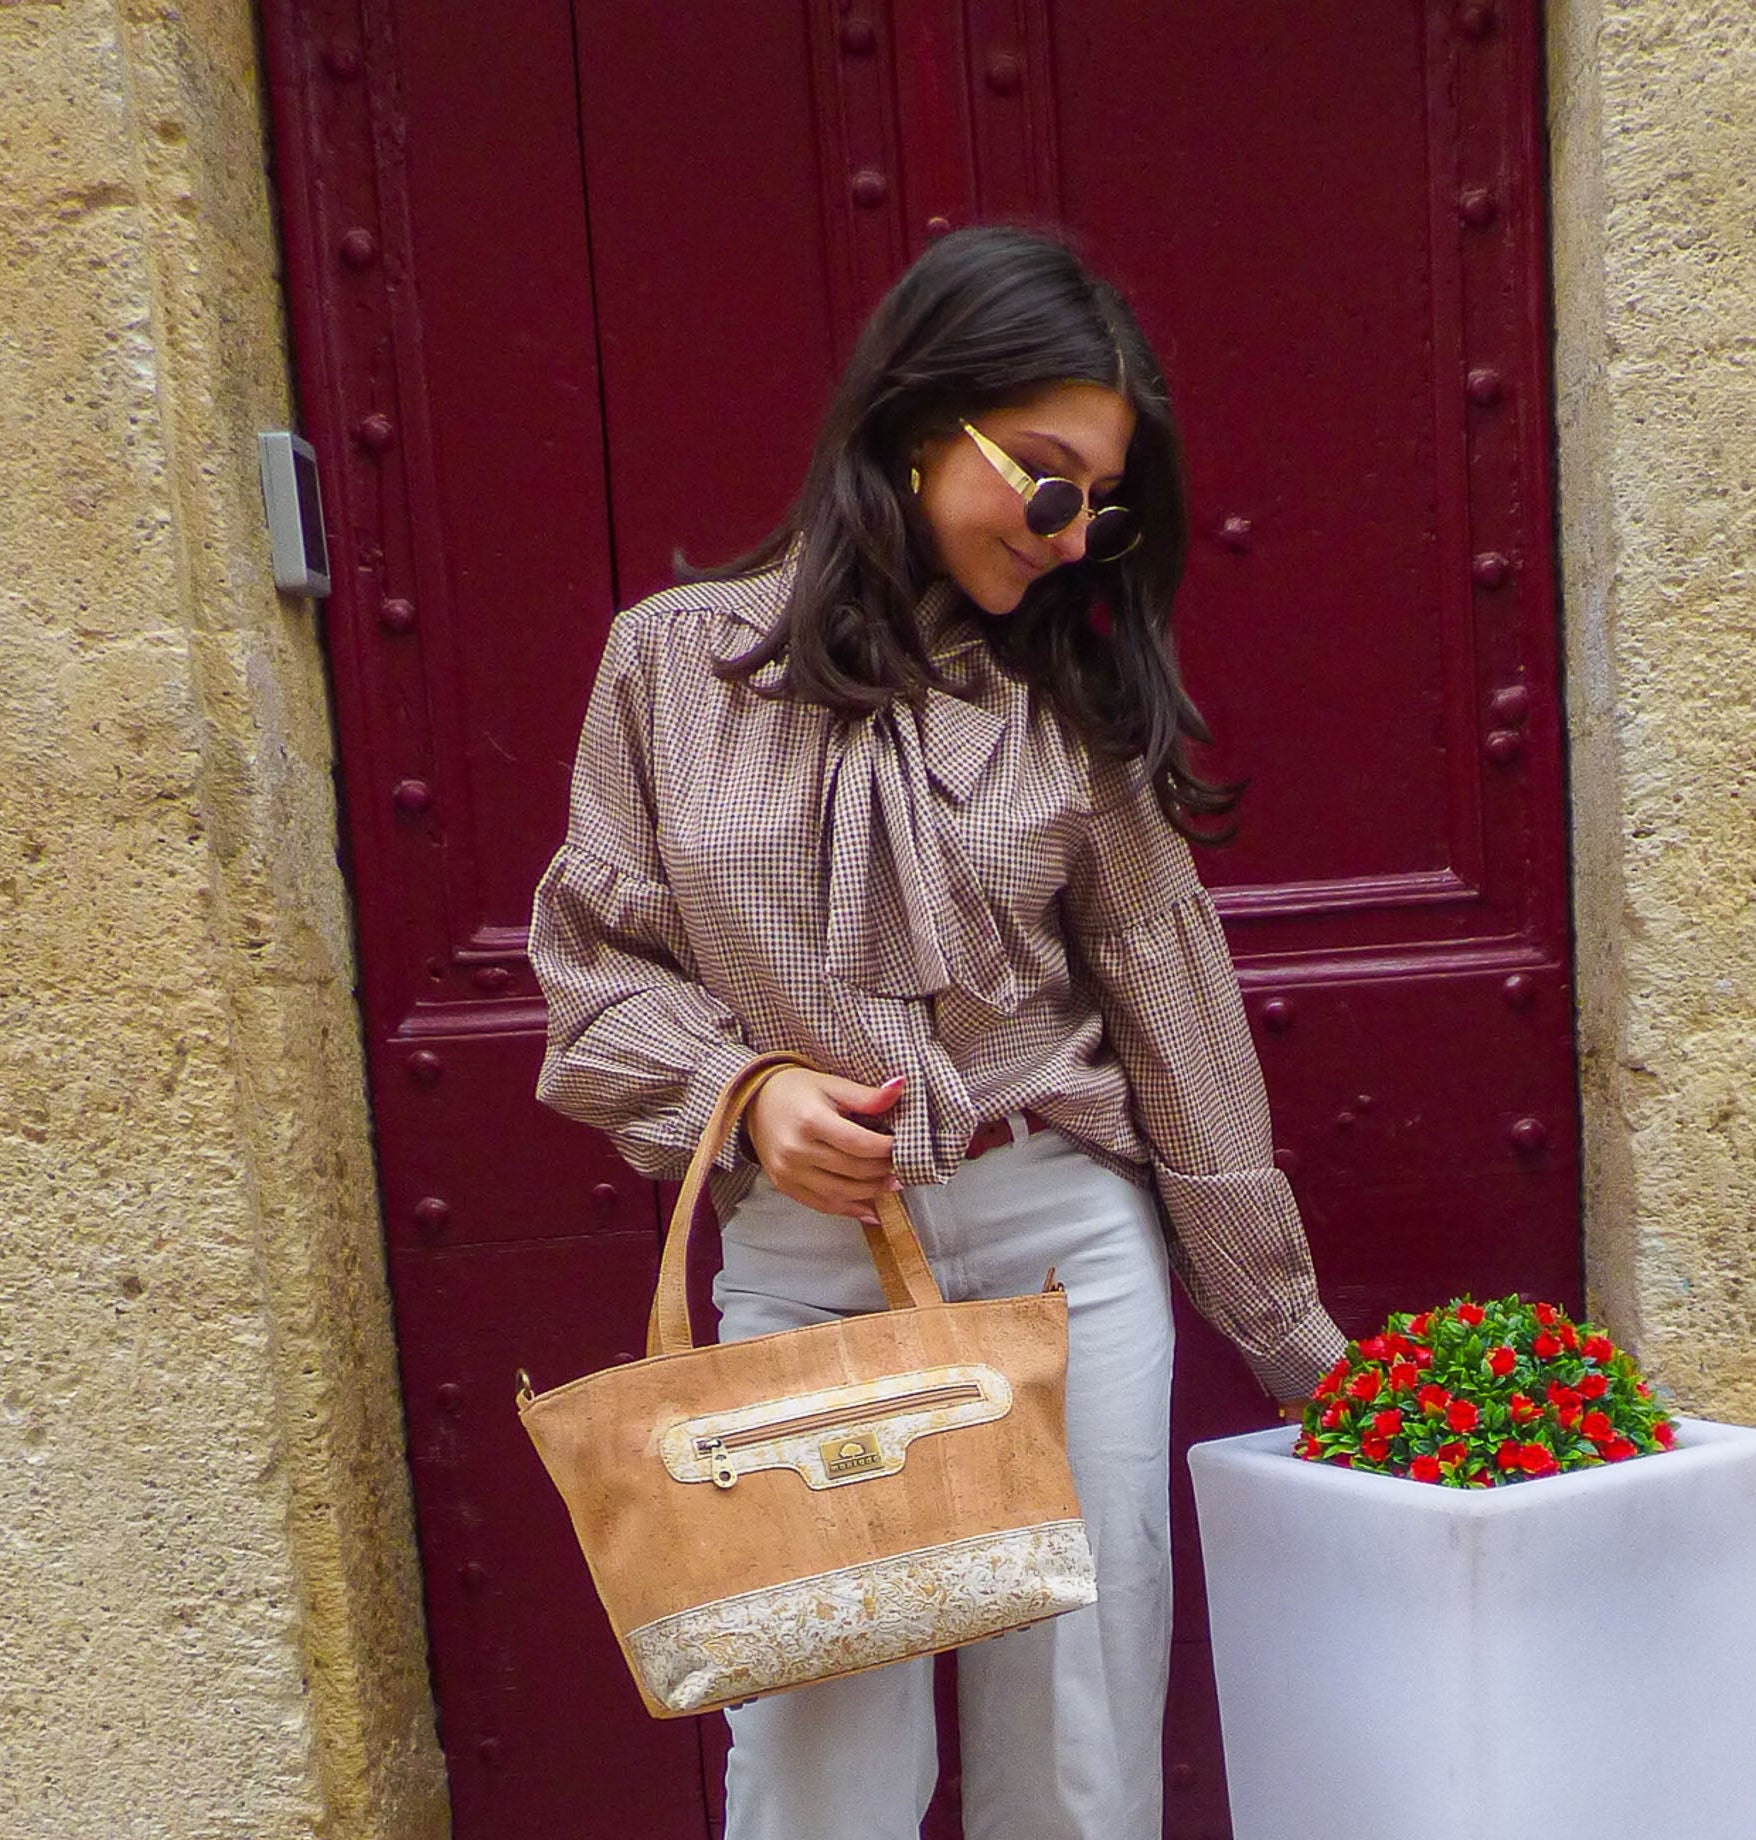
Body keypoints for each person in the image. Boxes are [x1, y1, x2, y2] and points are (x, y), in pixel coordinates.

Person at [529, 225, 1347, 1840]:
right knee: (824, 1761)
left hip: (1064, 1247)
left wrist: (1295, 1343)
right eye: (1047, 483)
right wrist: (744, 1091)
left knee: (1079, 1740)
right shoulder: (672, 668)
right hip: (812, 1267)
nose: (1072, 536)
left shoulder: (1070, 704)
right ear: (920, 424)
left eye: (1100, 507)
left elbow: (1175, 1015)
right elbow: (590, 967)